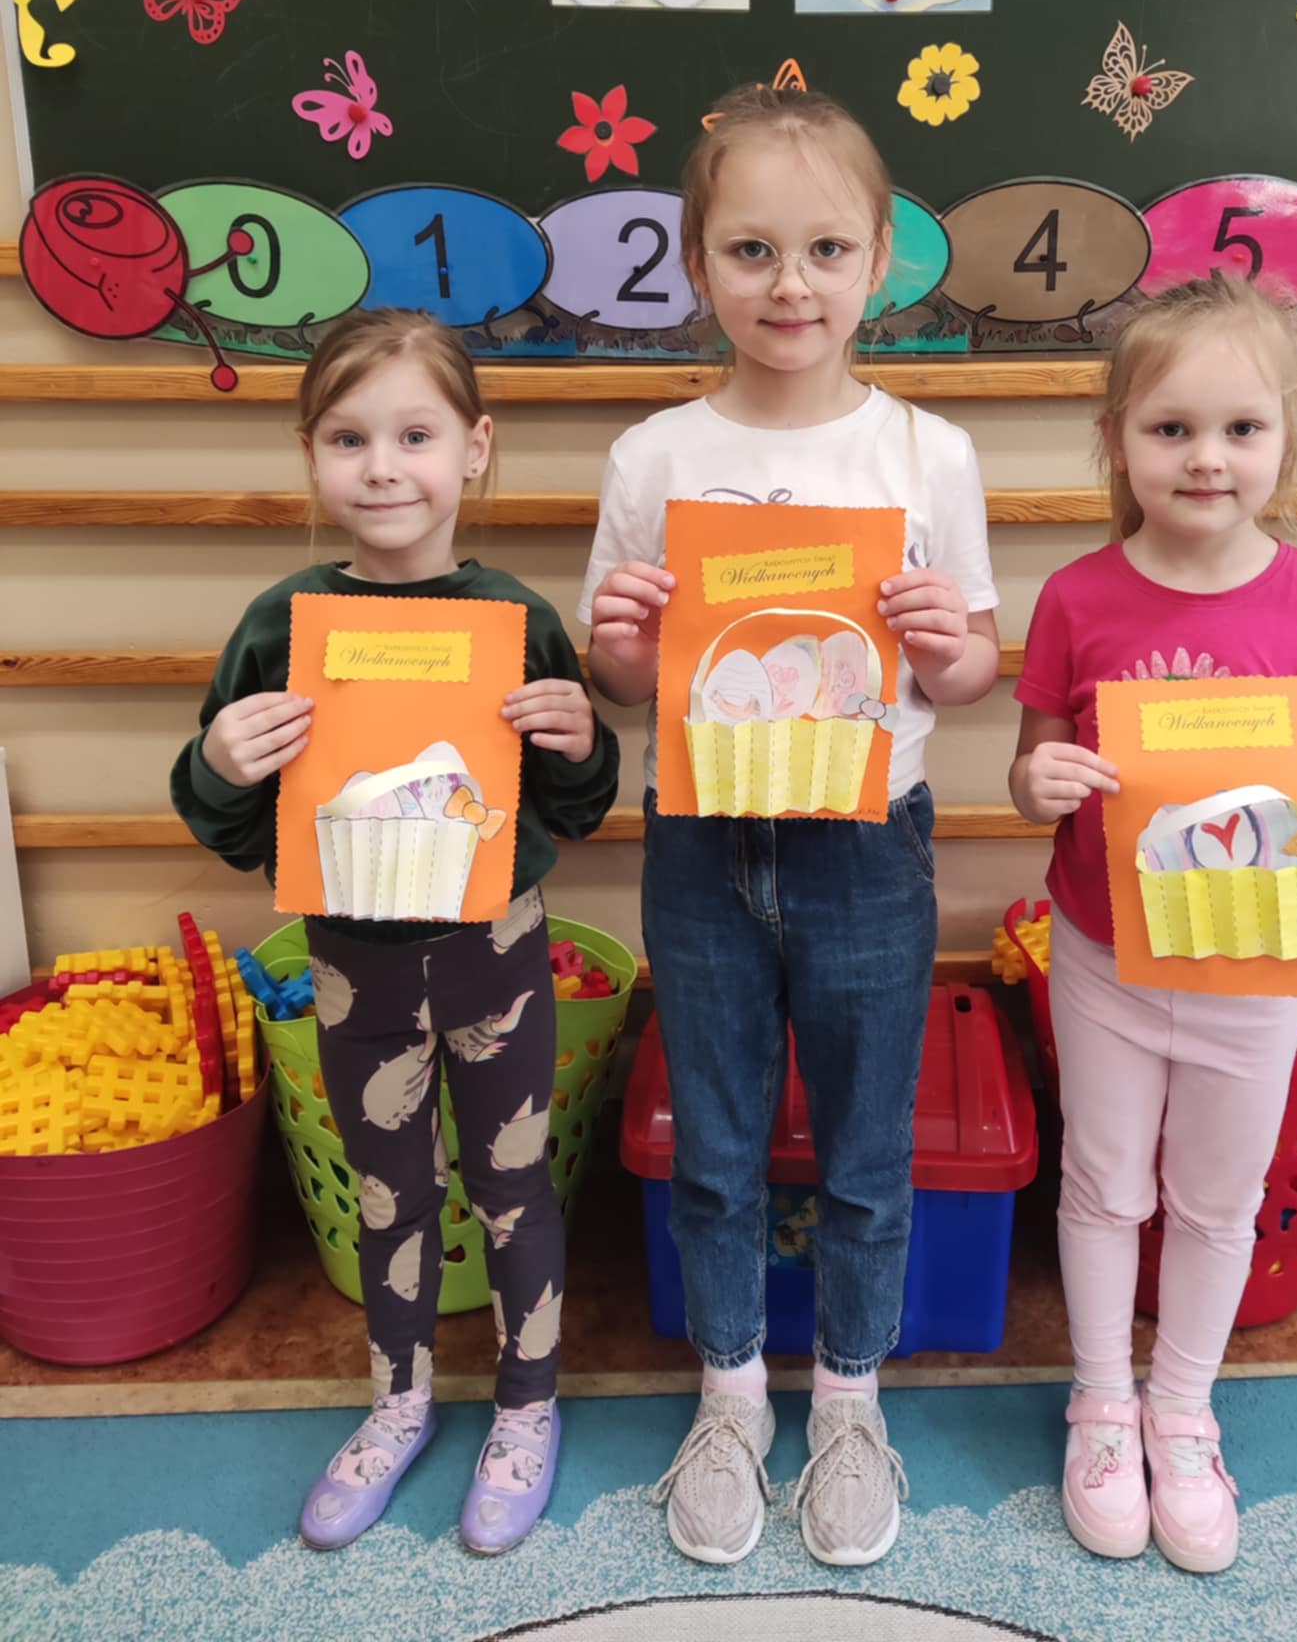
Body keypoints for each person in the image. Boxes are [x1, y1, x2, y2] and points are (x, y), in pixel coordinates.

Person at [580, 84, 1000, 1568]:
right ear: (699, 262)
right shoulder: (653, 457)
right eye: (751, 250)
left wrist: (947, 642)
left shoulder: (928, 454)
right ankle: (730, 1396)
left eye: (826, 249)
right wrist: (625, 644)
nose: (790, 284)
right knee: (718, 1142)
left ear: (880, 258)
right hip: (702, 845)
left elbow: (972, 669)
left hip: (867, 842)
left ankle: (851, 1400)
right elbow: (620, 679)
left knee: (868, 1147)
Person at [1009, 276, 1297, 1573]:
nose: (1207, 457)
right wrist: (1037, 781)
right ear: (1117, 440)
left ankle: (1183, 1412)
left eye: (1242, 428)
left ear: (1286, 439)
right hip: (1103, 956)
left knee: (1217, 1199)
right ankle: (1102, 1402)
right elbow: (1032, 764)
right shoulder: (1077, 597)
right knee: (1102, 1182)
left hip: (1255, 972)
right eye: (1172, 428)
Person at [171, 308, 619, 1554]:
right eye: (349, 437)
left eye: (415, 435)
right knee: (389, 1194)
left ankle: (526, 1405)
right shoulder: (281, 623)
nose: (383, 467)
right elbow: (227, 820)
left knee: (516, 1186)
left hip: (496, 955)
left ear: (475, 447)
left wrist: (581, 739)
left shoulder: (518, 619)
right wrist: (219, 759)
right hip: (351, 966)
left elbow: (576, 804)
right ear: (309, 452)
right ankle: (400, 1400)